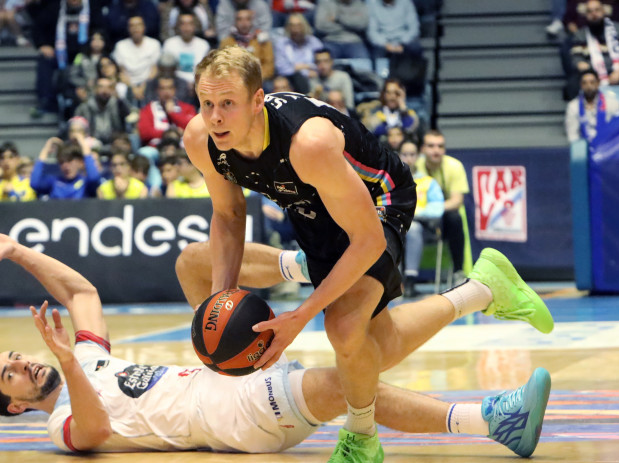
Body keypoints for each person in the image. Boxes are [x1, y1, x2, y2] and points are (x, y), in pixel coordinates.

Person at [183, 47, 553, 461]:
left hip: (380, 200)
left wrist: (300, 317)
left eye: (227, 104)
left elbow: (369, 240)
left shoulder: (309, 143)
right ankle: (483, 289)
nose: (215, 116)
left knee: (343, 329)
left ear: (257, 101)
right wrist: (220, 304)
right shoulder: (201, 139)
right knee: (376, 345)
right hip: (314, 209)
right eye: (207, 103)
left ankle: (361, 438)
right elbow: (229, 215)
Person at [0, 222, 552, 458]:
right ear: (13, 403)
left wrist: (17, 251)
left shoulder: (87, 358)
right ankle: (491, 420)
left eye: (17, 358)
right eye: (10, 375)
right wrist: (68, 364)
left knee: (194, 264)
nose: (22, 365)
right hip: (233, 418)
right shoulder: (58, 418)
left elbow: (83, 294)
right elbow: (92, 433)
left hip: (227, 369)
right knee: (337, 381)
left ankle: (314, 266)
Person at [416, 130, 471, 284]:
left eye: (440, 146)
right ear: (422, 149)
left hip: (442, 219)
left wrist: (431, 210)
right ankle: (405, 279)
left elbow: (456, 201)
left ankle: (458, 271)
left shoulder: (454, 166)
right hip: (417, 218)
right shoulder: (414, 166)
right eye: (431, 146)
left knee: (455, 217)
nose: (436, 150)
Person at [396, 140, 443, 297]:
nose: (408, 158)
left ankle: (410, 280)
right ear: (398, 155)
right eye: (405, 154)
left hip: (423, 228)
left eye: (412, 154)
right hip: (397, 225)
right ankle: (393, 280)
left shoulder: (428, 182)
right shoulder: (391, 181)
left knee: (413, 229)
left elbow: (438, 208)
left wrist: (415, 213)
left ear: (418, 157)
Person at [0, 141, 37, 223]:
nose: (6, 161)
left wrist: (12, 193)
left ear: (18, 160)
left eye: (11, 157)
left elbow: (27, 209)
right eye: (2, 158)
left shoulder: (27, 184)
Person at [30, 136, 101, 200]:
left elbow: (94, 178)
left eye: (70, 161)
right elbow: (34, 183)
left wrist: (83, 144)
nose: (65, 165)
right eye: (61, 162)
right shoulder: (54, 182)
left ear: (80, 162)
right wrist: (46, 149)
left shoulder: (85, 183)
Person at [113, 16, 162, 104]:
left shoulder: (154, 44)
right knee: (120, 89)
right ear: (128, 29)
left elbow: (154, 70)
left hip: (148, 83)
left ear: (144, 27)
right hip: (128, 83)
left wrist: (143, 87)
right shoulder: (120, 45)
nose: (136, 28)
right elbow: (121, 72)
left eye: (139, 25)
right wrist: (133, 88)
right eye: (132, 26)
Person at [219, 10, 275, 84]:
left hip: (259, 80)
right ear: (235, 22)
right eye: (240, 19)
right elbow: (222, 65)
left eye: (248, 19)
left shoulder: (262, 41)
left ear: (253, 21)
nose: (244, 23)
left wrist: (255, 78)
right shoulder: (226, 43)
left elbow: (269, 66)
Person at [138, 76, 196, 146]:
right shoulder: (148, 109)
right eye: (163, 88)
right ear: (157, 91)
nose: (166, 92)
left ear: (174, 90)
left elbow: (193, 129)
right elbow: (144, 133)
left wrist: (172, 113)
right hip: (157, 147)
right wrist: (172, 133)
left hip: (182, 148)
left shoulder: (187, 108)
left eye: (169, 88)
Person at [565, 68, 619, 142]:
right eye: (585, 83)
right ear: (581, 85)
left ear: (598, 83)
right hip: (584, 147)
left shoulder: (613, 104)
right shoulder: (573, 106)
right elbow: (572, 135)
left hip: (607, 146)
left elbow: (616, 130)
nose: (589, 86)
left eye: (592, 82)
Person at [273, 13, 323, 95]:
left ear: (304, 26)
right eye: (292, 25)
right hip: (289, 79)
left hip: (313, 78)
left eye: (298, 25)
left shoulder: (314, 42)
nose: (295, 29)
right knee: (296, 78)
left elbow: (321, 63)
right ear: (288, 27)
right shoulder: (282, 43)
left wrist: (298, 67)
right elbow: (281, 68)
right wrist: (306, 69)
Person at [73, 77, 131, 146]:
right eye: (101, 87)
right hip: (91, 141)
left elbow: (131, 115)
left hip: (114, 141)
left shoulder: (118, 105)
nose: (105, 91)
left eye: (108, 87)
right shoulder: (84, 107)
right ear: (95, 89)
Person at [161, 13, 211, 85]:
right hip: (175, 84)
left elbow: (205, 71)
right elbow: (166, 70)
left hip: (197, 84)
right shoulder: (169, 44)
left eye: (190, 24)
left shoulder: (203, 45)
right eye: (183, 24)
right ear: (178, 26)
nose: (186, 28)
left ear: (194, 26)